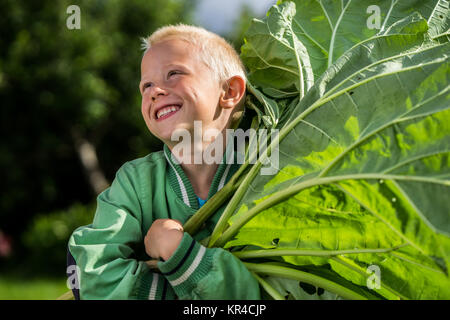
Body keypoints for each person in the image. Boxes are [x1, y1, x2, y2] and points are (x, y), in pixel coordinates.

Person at [66, 24, 261, 300]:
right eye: (146, 85)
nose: (155, 90)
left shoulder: (264, 178)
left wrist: (176, 251)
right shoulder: (134, 182)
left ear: (230, 91)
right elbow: (92, 272)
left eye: (174, 74)